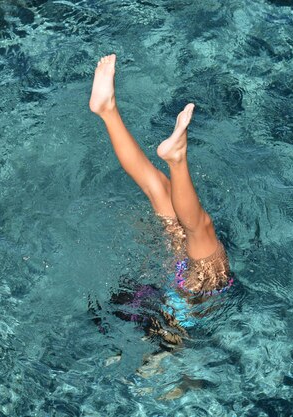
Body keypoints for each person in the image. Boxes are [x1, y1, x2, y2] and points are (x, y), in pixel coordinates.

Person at [89, 54, 233, 346]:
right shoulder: (175, 327)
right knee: (160, 191)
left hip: (185, 289)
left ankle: (112, 113)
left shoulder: (174, 325)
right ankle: (109, 112)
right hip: (184, 290)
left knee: (195, 223)